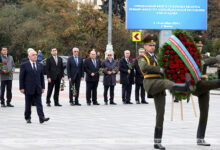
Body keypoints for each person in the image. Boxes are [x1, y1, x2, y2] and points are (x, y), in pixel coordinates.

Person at [138, 34, 193, 150]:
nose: (152, 47)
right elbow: (144, 67)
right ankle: (184, 87)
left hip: (158, 84)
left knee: (160, 114)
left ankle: (157, 142)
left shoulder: (158, 57)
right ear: (145, 46)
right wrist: (160, 69)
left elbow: (166, 68)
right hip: (150, 83)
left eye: (154, 45)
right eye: (150, 45)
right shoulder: (142, 57)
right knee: (165, 82)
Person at [192, 35, 220, 146]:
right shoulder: (190, 57)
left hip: (204, 85)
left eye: (200, 46)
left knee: (205, 113)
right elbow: (207, 61)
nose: (199, 48)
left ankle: (200, 138)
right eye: (197, 46)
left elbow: (210, 61)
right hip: (196, 84)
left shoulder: (203, 57)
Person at [19, 49, 49, 124]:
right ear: (29, 56)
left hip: (38, 87)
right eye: (33, 55)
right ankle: (28, 118)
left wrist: (43, 87)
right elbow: (21, 77)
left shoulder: (40, 65)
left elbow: (41, 77)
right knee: (28, 104)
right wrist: (21, 87)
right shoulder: (24, 65)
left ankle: (41, 118)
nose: (35, 56)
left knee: (39, 103)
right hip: (28, 88)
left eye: (36, 55)